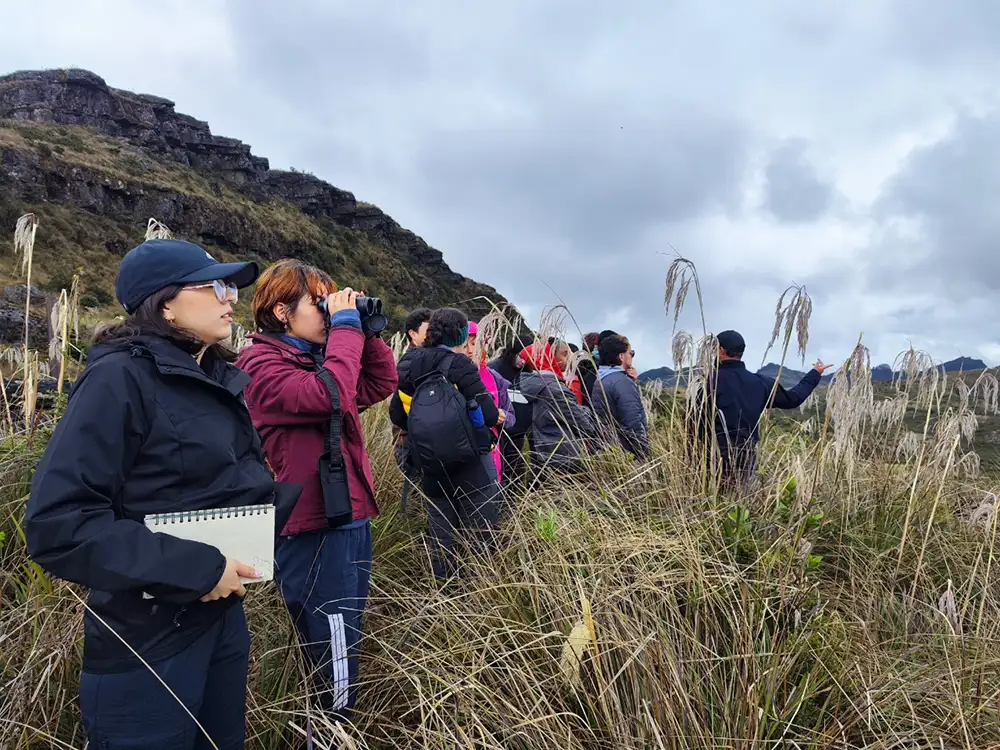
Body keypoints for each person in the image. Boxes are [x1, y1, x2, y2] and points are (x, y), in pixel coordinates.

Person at [25, 239, 286, 750]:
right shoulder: (117, 379)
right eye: (213, 286)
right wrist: (198, 568)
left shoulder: (218, 378)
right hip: (145, 640)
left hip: (222, 617)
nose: (230, 297)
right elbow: (59, 524)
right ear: (164, 302)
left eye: (231, 286)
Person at [234, 259, 397, 718]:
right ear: (282, 311)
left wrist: (365, 329)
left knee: (344, 630)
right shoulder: (260, 362)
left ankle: (327, 726)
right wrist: (344, 329)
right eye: (318, 303)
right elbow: (330, 396)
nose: (328, 313)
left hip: (347, 514)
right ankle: (332, 732)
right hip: (313, 522)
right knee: (334, 643)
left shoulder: (314, 360)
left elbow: (381, 382)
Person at [389, 307, 502, 579]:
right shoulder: (460, 363)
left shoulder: (407, 364)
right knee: (480, 535)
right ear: (462, 334)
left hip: (430, 464)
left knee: (441, 535)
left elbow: (397, 415)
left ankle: (444, 588)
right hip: (471, 463)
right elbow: (486, 414)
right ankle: (479, 593)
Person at [708, 330, 830, 485]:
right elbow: (792, 399)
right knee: (739, 502)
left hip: (710, 455)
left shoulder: (707, 381)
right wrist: (815, 373)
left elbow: (693, 423)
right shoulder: (760, 383)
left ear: (721, 351)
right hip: (746, 454)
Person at [518, 338, 598, 475]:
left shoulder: (534, 385)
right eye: (565, 354)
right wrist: (586, 410)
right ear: (550, 358)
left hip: (543, 453)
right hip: (563, 456)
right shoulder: (555, 389)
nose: (569, 358)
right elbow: (584, 425)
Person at [466, 320, 516, 483]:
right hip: (461, 460)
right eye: (465, 344)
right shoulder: (446, 376)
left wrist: (504, 417)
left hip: (493, 457)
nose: (470, 350)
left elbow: (511, 417)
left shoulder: (495, 378)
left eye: (475, 344)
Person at [591, 334, 650, 458]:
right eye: (631, 353)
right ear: (621, 356)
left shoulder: (600, 380)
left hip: (611, 449)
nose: (632, 357)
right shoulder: (622, 382)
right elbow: (632, 422)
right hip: (628, 453)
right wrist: (643, 453)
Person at [487, 334, 535, 487]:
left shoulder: (530, 373)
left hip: (520, 431)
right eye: (520, 356)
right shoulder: (494, 369)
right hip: (500, 429)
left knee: (516, 471)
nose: (522, 361)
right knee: (501, 470)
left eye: (527, 357)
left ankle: (514, 502)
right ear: (512, 352)